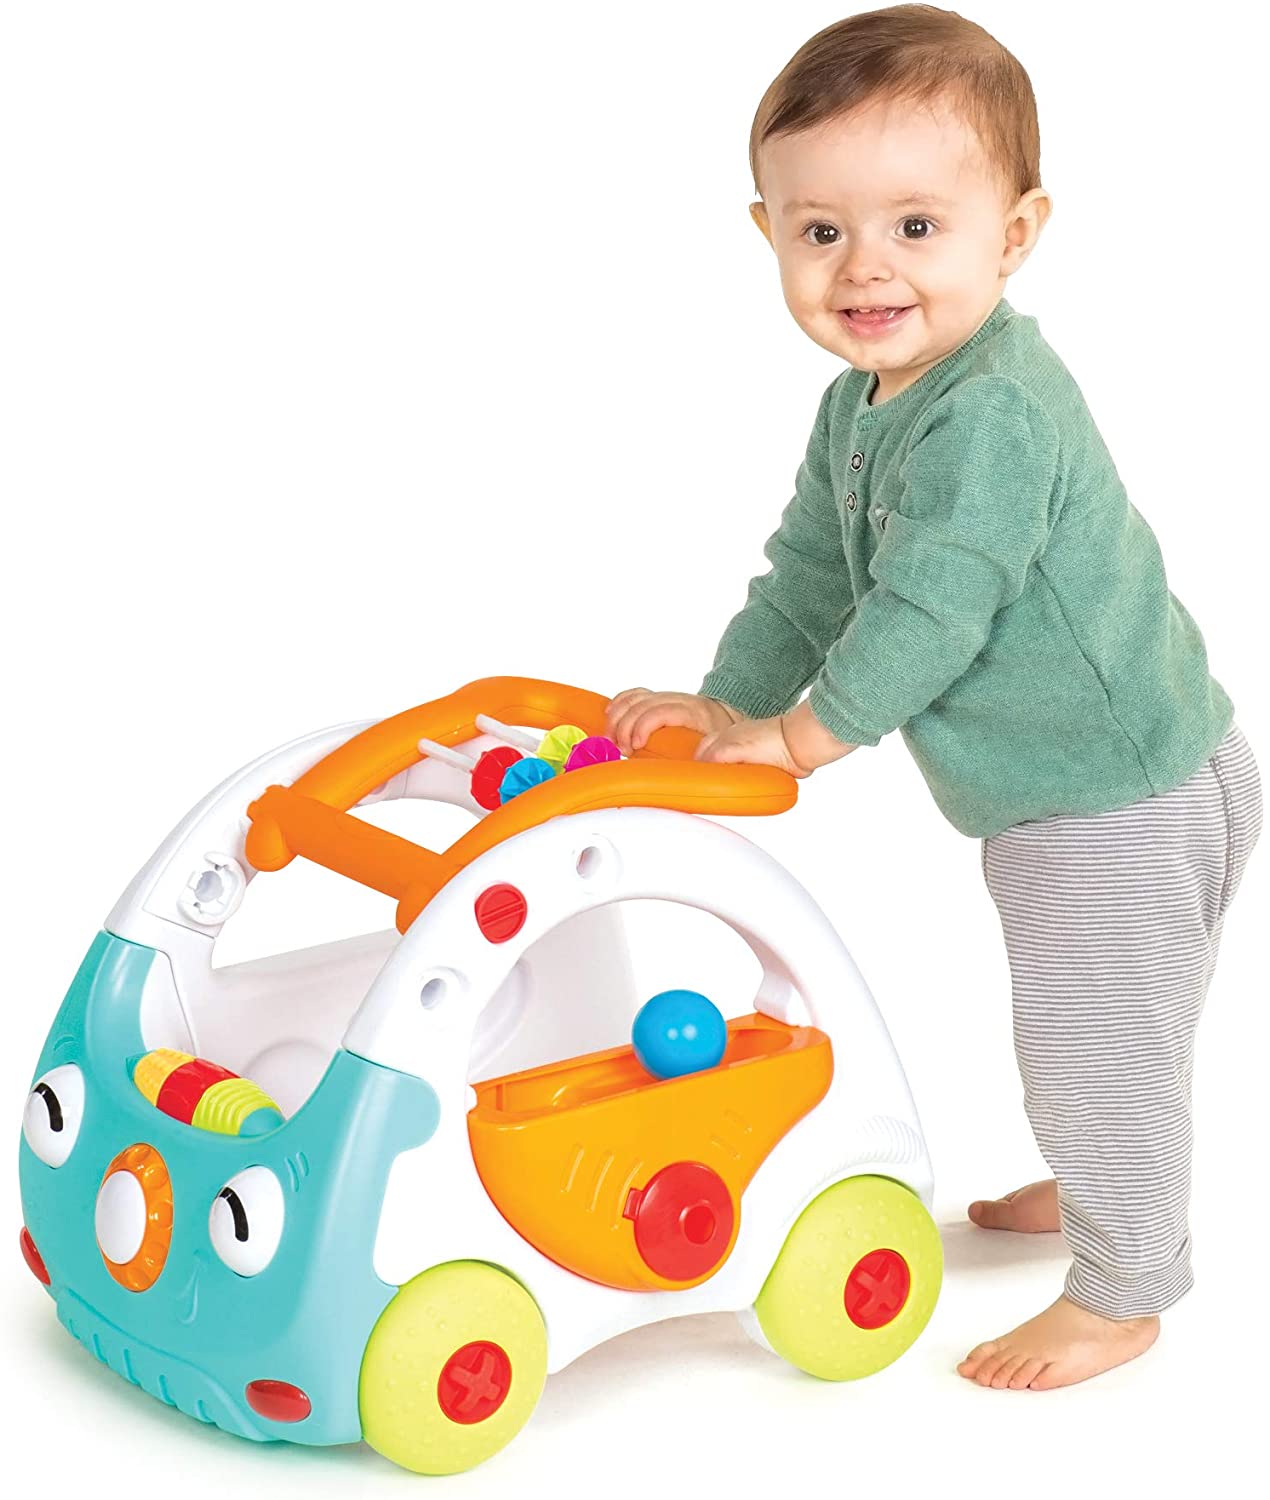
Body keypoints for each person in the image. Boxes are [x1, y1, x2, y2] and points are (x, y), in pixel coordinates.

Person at [605, 4, 1262, 1391]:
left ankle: (1122, 1289)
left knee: (1093, 1043)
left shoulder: (988, 413)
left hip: (1112, 795)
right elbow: (811, 574)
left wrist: (797, 742)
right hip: (1116, 770)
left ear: (1012, 235)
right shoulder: (862, 405)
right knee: (1116, 1036)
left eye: (916, 226)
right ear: (766, 232)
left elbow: (928, 612)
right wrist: (722, 705)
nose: (864, 268)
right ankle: (1102, 1180)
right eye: (820, 230)